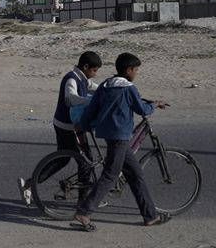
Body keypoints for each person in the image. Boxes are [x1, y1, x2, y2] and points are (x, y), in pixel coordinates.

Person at [72, 52, 170, 231]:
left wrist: (83, 125)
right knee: (110, 175)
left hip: (109, 134)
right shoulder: (129, 88)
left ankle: (150, 215)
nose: (137, 73)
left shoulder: (106, 85)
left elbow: (92, 108)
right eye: (136, 69)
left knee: (136, 174)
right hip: (120, 136)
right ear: (129, 70)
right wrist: (155, 104)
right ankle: (84, 211)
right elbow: (142, 109)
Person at [17, 51, 102, 206]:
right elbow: (70, 98)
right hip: (68, 126)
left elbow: (96, 88)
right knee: (85, 162)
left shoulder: (83, 79)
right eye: (94, 71)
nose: (95, 74)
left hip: (64, 124)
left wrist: (109, 91)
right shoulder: (72, 79)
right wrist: (89, 102)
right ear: (86, 66)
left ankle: (29, 184)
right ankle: (84, 201)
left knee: (63, 159)